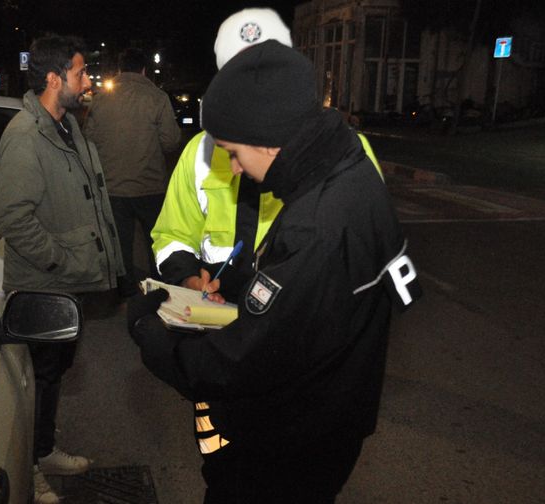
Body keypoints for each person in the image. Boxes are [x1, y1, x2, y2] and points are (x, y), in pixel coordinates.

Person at [129, 41, 421, 503]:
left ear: (269, 136)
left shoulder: (316, 223)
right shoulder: (346, 166)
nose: (232, 166)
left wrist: (154, 338)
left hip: (291, 436)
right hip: (328, 415)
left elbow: (243, 361)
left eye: (233, 150)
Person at [152, 7, 383, 304]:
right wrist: (189, 278)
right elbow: (172, 235)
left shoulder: (346, 152)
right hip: (217, 312)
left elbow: (365, 265)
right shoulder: (199, 152)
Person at [0, 34, 124, 504]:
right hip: (45, 285)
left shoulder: (65, 124)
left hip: (68, 283)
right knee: (41, 378)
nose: (87, 81)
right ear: (53, 78)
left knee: (55, 373)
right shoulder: (26, 135)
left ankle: (43, 450)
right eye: (80, 72)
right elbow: (12, 219)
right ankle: (30, 465)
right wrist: (61, 261)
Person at [84, 47, 181, 299]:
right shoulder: (157, 97)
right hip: (150, 186)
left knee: (121, 241)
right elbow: (171, 141)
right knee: (156, 240)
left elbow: (89, 139)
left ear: (119, 69)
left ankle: (124, 289)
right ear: (144, 70)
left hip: (113, 186)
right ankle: (158, 286)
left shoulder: (101, 98)